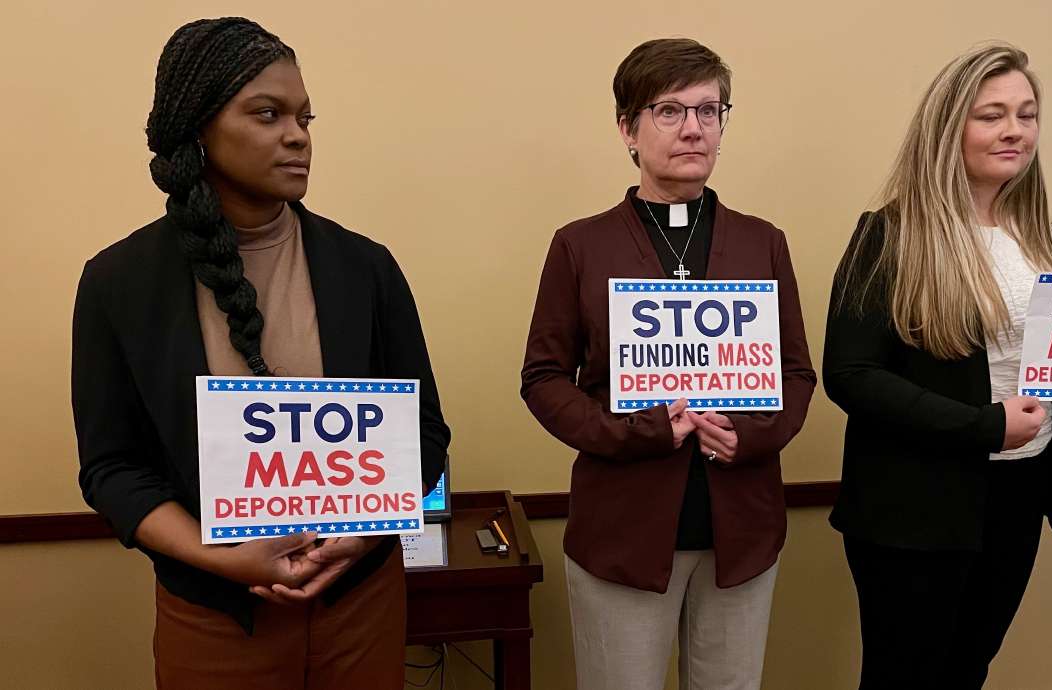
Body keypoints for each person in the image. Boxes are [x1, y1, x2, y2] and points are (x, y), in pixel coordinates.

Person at [71, 17, 450, 689]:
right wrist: (223, 559)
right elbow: (113, 468)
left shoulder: (366, 269)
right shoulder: (117, 283)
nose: (299, 134)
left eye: (305, 116)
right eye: (268, 114)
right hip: (216, 614)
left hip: (360, 600)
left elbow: (423, 433)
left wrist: (362, 536)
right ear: (199, 129)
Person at [823, 42, 1052, 689]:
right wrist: (985, 426)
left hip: (1019, 494)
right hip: (916, 508)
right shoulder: (889, 234)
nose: (1014, 130)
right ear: (948, 129)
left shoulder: (1038, 237)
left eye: (1026, 114)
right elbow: (851, 374)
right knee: (905, 679)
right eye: (991, 114)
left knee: (968, 671)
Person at [521, 38, 815, 690]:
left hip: (740, 530)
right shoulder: (581, 245)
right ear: (628, 128)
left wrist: (749, 432)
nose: (693, 128)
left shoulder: (762, 242)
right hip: (623, 533)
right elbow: (543, 379)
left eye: (710, 111)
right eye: (670, 111)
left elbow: (796, 373)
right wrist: (639, 430)